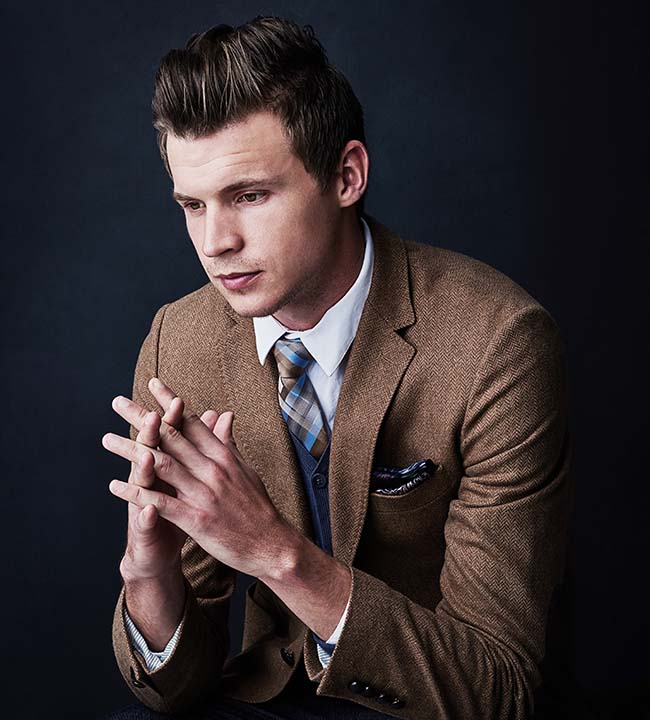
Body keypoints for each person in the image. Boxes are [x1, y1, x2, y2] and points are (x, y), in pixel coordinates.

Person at [101, 15, 572, 720]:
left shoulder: (497, 343)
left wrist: (274, 552)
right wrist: (149, 574)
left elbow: (496, 690)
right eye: (192, 205)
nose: (215, 241)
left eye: (250, 196)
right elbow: (175, 691)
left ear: (347, 176)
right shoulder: (180, 342)